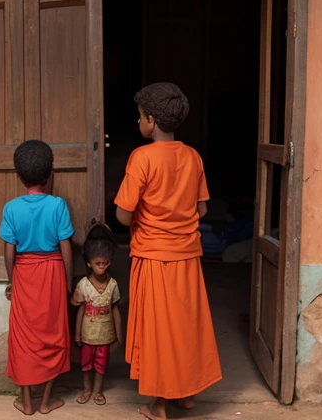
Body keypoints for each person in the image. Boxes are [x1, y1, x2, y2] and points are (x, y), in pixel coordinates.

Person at [114, 83, 222, 419]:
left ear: (151, 119)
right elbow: (203, 211)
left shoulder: (141, 157)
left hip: (153, 255)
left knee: (158, 330)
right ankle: (186, 394)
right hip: (187, 255)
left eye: (139, 117)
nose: (138, 123)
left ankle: (159, 404)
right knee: (185, 325)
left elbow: (122, 214)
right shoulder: (193, 156)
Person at [0, 140, 74, 415]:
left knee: (23, 338)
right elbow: (66, 245)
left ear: (19, 177)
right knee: (53, 334)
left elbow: (10, 250)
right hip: (53, 272)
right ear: (49, 175)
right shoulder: (57, 205)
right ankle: (46, 402)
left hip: (24, 273)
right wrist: (67, 283)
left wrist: (12, 281)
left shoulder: (11, 208)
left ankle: (26, 402)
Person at [71, 221, 122, 407]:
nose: (103, 267)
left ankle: (97, 391)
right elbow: (80, 309)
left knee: (101, 363)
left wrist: (119, 334)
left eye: (106, 263)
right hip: (87, 335)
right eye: (98, 263)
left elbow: (115, 308)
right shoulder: (83, 285)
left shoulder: (113, 284)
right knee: (86, 363)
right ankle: (86, 389)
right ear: (89, 264)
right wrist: (77, 334)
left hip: (104, 335)